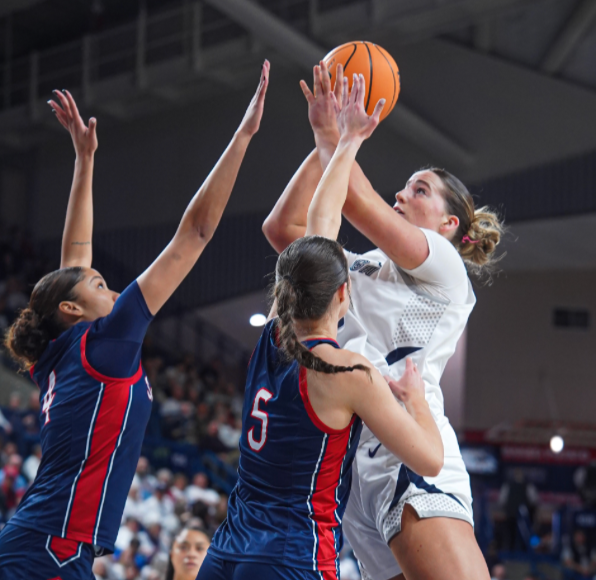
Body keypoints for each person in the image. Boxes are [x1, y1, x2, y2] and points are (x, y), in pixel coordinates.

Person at [0, 61, 269, 580]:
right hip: (51, 546)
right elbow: (197, 232)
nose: (111, 287)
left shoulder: (65, 352)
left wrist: (84, 160)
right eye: (99, 286)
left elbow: (74, 259)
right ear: (72, 310)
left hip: (46, 544)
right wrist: (244, 134)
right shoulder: (104, 343)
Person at [262, 62, 503, 580]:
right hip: (352, 460)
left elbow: (359, 201)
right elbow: (283, 229)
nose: (401, 195)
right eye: (405, 187)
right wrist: (324, 139)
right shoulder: (366, 265)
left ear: (449, 223)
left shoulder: (443, 264)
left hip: (408, 445)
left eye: (419, 191)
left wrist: (338, 136)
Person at [201, 74, 444, 580]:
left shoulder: (272, 338)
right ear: (342, 294)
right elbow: (430, 459)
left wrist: (333, 141)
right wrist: (416, 399)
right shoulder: (349, 371)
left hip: (228, 551)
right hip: (293, 555)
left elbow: (317, 235)